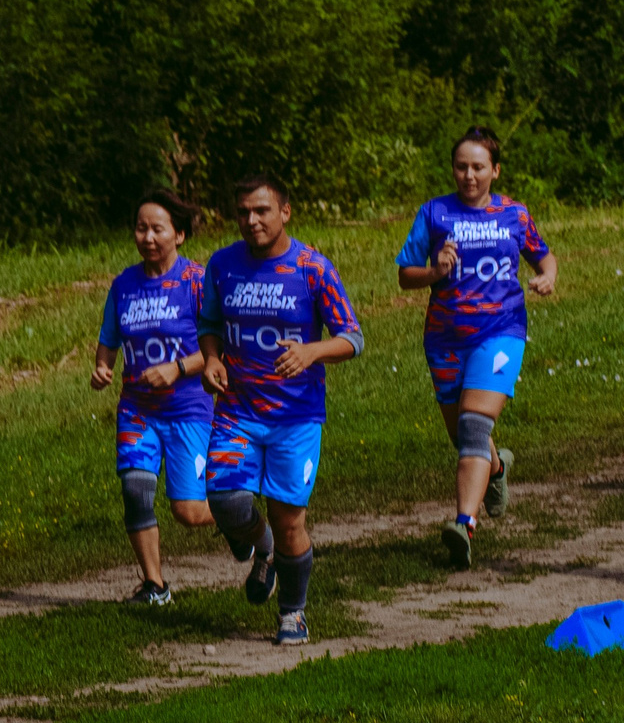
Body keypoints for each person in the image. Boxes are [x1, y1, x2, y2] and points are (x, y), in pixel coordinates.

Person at [197, 175, 364, 648]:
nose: (251, 220)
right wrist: (211, 359)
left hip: (296, 417)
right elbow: (209, 323)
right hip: (237, 410)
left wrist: (312, 352)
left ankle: (293, 613)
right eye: (243, 212)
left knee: (290, 520)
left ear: (285, 212)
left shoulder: (312, 269)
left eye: (262, 211)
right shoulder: (222, 265)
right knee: (225, 500)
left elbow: (352, 338)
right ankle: (262, 547)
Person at [395, 128, 555, 569]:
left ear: (495, 171)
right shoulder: (434, 213)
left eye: (478, 167)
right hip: (445, 338)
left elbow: (543, 255)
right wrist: (434, 271)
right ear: (453, 169)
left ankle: (464, 524)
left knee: (472, 427)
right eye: (461, 167)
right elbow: (405, 274)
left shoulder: (514, 214)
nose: (469, 175)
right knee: (464, 437)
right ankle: (497, 469)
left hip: (501, 331)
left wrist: (547, 276)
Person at [91, 190, 218, 604]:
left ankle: (244, 520)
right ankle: (155, 585)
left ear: (178, 235)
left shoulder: (197, 282)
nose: (147, 237)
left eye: (157, 229)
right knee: (135, 491)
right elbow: (109, 339)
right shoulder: (124, 285)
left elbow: (219, 349)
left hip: (188, 410)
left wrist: (177, 368)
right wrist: (103, 367)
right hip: (137, 410)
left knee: (189, 511)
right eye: (141, 228)